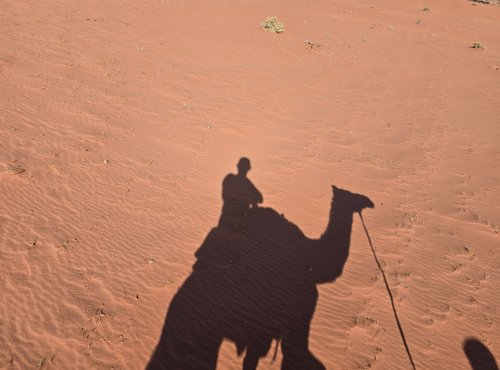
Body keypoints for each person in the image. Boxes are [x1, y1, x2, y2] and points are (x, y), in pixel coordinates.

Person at [218, 157, 263, 232]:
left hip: (241, 218)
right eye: (243, 167)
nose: (244, 170)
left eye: (245, 168)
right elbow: (226, 196)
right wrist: (246, 197)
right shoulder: (230, 178)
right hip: (229, 217)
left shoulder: (246, 183)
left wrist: (249, 198)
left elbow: (260, 198)